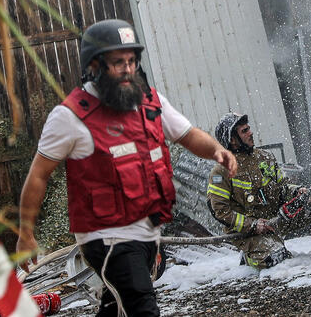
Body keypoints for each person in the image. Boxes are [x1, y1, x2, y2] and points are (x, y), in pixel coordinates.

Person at [16, 19, 238, 317]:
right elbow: (39, 175)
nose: (127, 69)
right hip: (104, 236)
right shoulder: (69, 117)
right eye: (117, 62)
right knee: (141, 307)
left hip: (147, 229)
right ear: (94, 65)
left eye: (132, 61)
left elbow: (187, 134)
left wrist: (217, 150)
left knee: (116, 305)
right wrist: (26, 232)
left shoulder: (150, 102)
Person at [207, 112, 311, 269]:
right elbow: (220, 211)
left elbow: (282, 187)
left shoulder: (265, 157)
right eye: (244, 131)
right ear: (232, 140)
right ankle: (250, 259)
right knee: (276, 258)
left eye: (249, 128)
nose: (251, 133)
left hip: (278, 219)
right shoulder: (221, 172)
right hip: (250, 233)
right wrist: (253, 225)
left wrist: (297, 192)